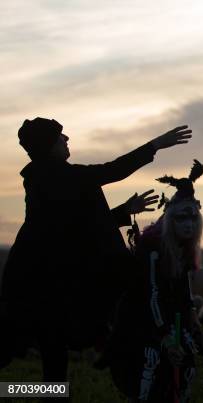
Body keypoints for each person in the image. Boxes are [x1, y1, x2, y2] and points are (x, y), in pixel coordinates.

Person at [0, 117, 191, 380]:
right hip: (39, 285)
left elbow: (76, 230)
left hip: (40, 282)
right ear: (49, 145)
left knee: (49, 357)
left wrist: (125, 211)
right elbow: (113, 170)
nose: (66, 139)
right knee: (25, 349)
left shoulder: (46, 179)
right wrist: (156, 144)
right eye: (60, 136)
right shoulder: (59, 176)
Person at [108, 160, 203, 402]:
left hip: (172, 318)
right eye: (182, 218)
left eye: (193, 219)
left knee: (187, 369)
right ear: (171, 219)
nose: (189, 224)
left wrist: (191, 312)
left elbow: (182, 289)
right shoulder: (153, 249)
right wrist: (164, 335)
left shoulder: (183, 249)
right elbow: (152, 294)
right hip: (143, 323)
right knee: (150, 372)